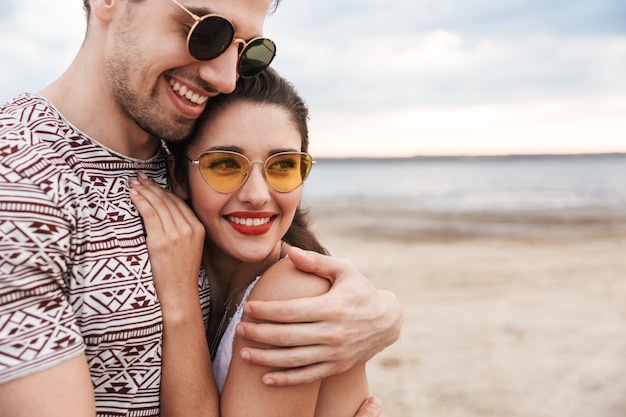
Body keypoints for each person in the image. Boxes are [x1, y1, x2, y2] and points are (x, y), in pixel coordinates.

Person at [0, 0, 401, 416]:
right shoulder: (18, 178)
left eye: (246, 52)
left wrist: (381, 313)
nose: (225, 79)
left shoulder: (175, 150)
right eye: (206, 32)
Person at [130, 68, 369, 417]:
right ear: (179, 175)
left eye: (283, 165)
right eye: (226, 164)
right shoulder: (208, 279)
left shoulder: (294, 293)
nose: (257, 195)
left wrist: (179, 295)